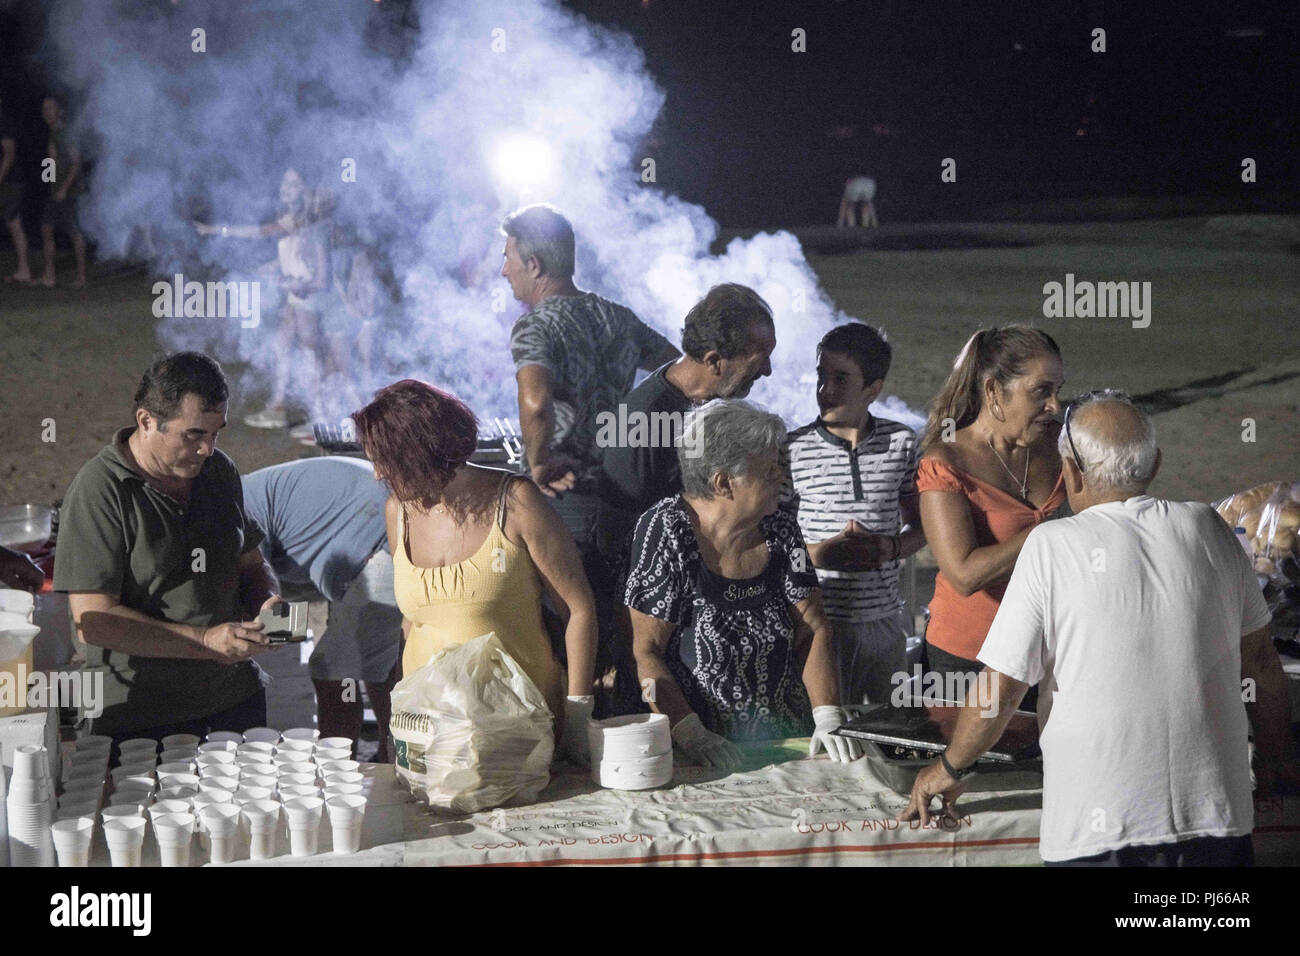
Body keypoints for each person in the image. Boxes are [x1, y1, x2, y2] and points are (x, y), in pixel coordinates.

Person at [900, 392, 1300, 865]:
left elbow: (1002, 687)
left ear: (1071, 471)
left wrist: (949, 767)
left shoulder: (1052, 545)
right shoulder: (1210, 529)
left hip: (1100, 826)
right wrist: (1276, 759)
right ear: (1154, 465)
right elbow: (1259, 662)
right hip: (1215, 817)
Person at [353, 379, 599, 763]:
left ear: (422, 455)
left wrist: (579, 717)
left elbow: (579, 610)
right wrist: (396, 720)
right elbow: (412, 621)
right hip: (430, 734)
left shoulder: (516, 502)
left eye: (385, 463)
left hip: (515, 732)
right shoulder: (398, 511)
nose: (377, 475)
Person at [53, 352, 281, 746]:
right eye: (193, 434)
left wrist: (268, 602)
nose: (207, 448)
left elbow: (250, 560)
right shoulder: (101, 490)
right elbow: (94, 620)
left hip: (234, 699)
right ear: (146, 421)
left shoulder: (218, 471)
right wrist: (205, 641)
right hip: (142, 715)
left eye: (216, 433)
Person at [625, 399, 863, 769]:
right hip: (703, 750)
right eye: (768, 472)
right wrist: (690, 733)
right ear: (723, 483)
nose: (780, 479)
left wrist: (827, 713)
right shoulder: (667, 530)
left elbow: (813, 628)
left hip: (790, 741)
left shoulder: (780, 529)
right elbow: (646, 651)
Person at [502, 203, 680, 540]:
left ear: (534, 265)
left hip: (560, 499)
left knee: (563, 592)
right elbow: (679, 369)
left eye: (507, 257)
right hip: (622, 500)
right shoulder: (619, 317)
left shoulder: (534, 326)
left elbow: (537, 405)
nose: (504, 270)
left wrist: (538, 463)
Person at [783, 322, 925, 706]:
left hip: (885, 625)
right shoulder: (791, 450)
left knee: (894, 728)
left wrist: (889, 548)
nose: (825, 390)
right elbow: (770, 545)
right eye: (821, 376)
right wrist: (820, 556)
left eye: (841, 379)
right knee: (831, 733)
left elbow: (923, 525)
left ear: (873, 389)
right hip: (818, 626)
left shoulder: (901, 444)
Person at [917, 327, 1067, 687]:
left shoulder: (1061, 442)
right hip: (970, 660)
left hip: (1053, 652)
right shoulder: (946, 461)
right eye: (1041, 391)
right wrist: (1050, 530)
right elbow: (965, 576)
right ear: (994, 391)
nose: (1055, 406)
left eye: (1058, 391)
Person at [242, 457, 402, 761]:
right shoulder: (248, 492)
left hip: (381, 538)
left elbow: (260, 585)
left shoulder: (227, 508)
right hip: (376, 532)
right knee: (376, 661)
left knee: (333, 669)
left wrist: (268, 639)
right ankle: (391, 753)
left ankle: (336, 770)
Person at [599, 282, 777, 553]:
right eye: (758, 359)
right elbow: (615, 537)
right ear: (714, 361)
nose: (767, 371)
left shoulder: (720, 405)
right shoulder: (638, 423)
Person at [195, 168, 331, 430]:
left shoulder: (302, 218)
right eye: (284, 182)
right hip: (295, 294)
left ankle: (320, 415)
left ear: (305, 190)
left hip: (307, 295)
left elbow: (260, 232)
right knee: (282, 345)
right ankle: (278, 407)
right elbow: (295, 251)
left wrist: (216, 230)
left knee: (310, 353)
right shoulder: (295, 217)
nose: (285, 187)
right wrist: (274, 265)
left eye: (293, 183)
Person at [38, 94, 86, 289]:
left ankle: (82, 278)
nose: (47, 112)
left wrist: (64, 189)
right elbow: (52, 162)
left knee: (75, 233)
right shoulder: (52, 133)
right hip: (55, 191)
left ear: (59, 111)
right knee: (46, 228)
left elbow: (76, 163)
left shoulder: (66, 133)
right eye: (45, 109)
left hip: (69, 192)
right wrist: (49, 182)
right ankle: (49, 277)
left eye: (50, 108)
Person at [0, 95, 32, 283]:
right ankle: (23, 270)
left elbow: (9, 156)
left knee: (14, 224)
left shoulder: (4, 123)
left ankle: (24, 270)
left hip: (11, 182)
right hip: (8, 182)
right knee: (13, 224)